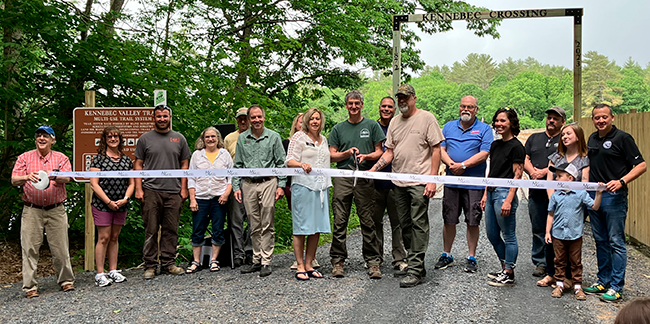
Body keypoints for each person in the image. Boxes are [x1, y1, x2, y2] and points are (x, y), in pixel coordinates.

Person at [370, 84, 444, 288]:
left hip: (419, 182)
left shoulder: (427, 118)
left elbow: (436, 150)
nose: (402, 101)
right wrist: (373, 170)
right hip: (398, 182)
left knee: (418, 223)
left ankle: (414, 269)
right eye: (399, 98)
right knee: (404, 225)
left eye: (405, 97)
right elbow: (389, 152)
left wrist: (432, 180)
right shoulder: (394, 122)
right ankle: (416, 264)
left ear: (414, 98)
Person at [583, 103, 646, 302]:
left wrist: (621, 182)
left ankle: (617, 287)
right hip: (595, 195)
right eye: (596, 117)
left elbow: (641, 165)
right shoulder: (592, 138)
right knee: (600, 240)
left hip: (614, 197)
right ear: (593, 120)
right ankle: (603, 280)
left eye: (604, 117)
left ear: (612, 118)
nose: (600, 121)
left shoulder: (623, 138)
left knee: (615, 241)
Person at [11, 125, 75, 298]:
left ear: (52, 140)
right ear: (35, 139)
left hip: (56, 209)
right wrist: (26, 177)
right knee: (30, 248)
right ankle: (30, 286)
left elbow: (68, 177)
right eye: (39, 135)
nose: (41, 138)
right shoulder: (25, 157)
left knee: (61, 248)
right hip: (32, 210)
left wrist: (53, 174)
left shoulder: (61, 158)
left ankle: (66, 281)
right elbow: (14, 179)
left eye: (46, 136)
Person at [329, 90, 384, 279]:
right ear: (346, 106)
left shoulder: (371, 125)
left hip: (364, 176)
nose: (353, 106)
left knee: (368, 220)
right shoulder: (338, 128)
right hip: (343, 176)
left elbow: (380, 151)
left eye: (357, 103)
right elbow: (331, 154)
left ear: (361, 105)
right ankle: (338, 261)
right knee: (339, 220)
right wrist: (346, 153)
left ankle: (373, 262)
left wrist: (366, 156)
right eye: (350, 103)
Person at [134, 105, 191, 279]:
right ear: (154, 118)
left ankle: (168, 263)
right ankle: (150, 265)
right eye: (158, 116)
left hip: (173, 191)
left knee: (171, 229)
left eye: (165, 116)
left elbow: (184, 164)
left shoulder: (179, 139)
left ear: (170, 117)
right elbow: (138, 164)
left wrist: (183, 188)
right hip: (151, 190)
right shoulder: (145, 139)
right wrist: (138, 188)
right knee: (151, 229)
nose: (162, 119)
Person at [438, 95, 493, 273]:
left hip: (474, 183)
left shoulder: (484, 129)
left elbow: (484, 153)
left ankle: (471, 257)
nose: (466, 110)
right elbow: (441, 149)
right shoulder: (448, 126)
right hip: (451, 181)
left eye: (470, 107)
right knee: (449, 219)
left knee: (473, 220)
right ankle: (447, 254)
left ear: (476, 109)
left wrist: (463, 165)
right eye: (463, 106)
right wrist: (451, 165)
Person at [233, 104, 286, 277]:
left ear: (264, 117)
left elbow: (281, 163)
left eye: (259, 117)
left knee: (267, 222)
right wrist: (236, 187)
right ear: (249, 119)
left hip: (268, 182)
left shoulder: (274, 137)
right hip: (248, 184)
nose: (256, 120)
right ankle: (256, 259)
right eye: (253, 117)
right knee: (253, 223)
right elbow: (237, 165)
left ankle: (266, 261)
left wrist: (281, 185)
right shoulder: (242, 139)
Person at [536, 123, 590, 288]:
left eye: (569, 134)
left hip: (575, 205)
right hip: (556, 204)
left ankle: (568, 277)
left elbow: (585, 183)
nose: (565, 137)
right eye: (563, 135)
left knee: (571, 241)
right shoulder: (555, 157)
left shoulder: (584, 159)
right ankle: (551, 274)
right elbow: (549, 181)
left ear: (578, 136)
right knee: (552, 238)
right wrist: (555, 199)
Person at [545, 163, 602, 300]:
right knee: (559, 260)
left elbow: (594, 206)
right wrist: (548, 232)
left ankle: (577, 286)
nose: (556, 179)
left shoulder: (581, 194)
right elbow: (550, 214)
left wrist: (599, 193)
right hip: (558, 233)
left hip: (575, 234)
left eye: (559, 176)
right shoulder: (555, 196)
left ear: (570, 178)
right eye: (556, 176)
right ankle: (559, 284)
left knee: (576, 261)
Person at [285, 108, 331, 280]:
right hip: (303, 186)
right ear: (306, 121)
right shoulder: (298, 137)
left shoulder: (323, 140)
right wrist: (301, 164)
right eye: (311, 118)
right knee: (301, 227)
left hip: (321, 188)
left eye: (317, 118)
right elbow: (289, 160)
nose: (315, 121)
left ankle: (310, 263)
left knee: (316, 227)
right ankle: (299, 265)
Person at [481, 107, 525, 287]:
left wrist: (509, 199)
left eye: (503, 121)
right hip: (491, 191)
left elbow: (517, 175)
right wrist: (485, 193)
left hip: (504, 192)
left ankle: (509, 272)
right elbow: (491, 170)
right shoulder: (495, 144)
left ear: (512, 123)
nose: (499, 124)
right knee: (492, 233)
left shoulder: (517, 147)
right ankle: (504, 267)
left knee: (508, 235)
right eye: (497, 121)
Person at [89, 126, 134, 287]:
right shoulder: (98, 159)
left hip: (121, 204)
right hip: (102, 204)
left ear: (120, 139)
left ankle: (113, 270)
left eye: (116, 136)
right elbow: (94, 184)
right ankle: (100, 273)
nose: (113, 139)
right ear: (105, 140)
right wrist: (108, 201)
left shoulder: (126, 159)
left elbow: (132, 182)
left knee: (114, 237)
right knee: (104, 237)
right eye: (110, 137)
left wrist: (126, 198)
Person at [524, 106, 566, 278]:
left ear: (563, 122)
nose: (551, 120)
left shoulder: (565, 139)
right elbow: (525, 157)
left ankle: (558, 263)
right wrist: (532, 172)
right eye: (549, 117)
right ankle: (540, 262)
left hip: (559, 193)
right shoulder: (534, 138)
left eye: (555, 118)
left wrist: (545, 172)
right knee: (538, 227)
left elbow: (566, 159)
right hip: (536, 192)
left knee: (559, 228)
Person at [186, 127, 233, 274]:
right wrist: (192, 199)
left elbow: (231, 177)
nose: (210, 139)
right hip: (200, 198)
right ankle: (196, 261)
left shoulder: (225, 155)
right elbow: (191, 178)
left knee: (218, 229)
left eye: (213, 136)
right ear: (203, 139)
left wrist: (226, 194)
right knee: (197, 229)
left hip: (219, 198)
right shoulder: (197, 155)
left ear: (218, 138)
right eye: (207, 137)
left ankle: (214, 260)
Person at [373, 97, 408, 273]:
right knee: (375, 221)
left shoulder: (400, 125)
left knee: (398, 222)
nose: (386, 109)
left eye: (390, 107)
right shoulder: (373, 127)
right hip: (375, 182)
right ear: (379, 108)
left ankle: (399, 258)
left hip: (397, 182)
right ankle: (376, 258)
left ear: (394, 109)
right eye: (384, 106)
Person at [223, 107, 253, 267]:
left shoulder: (256, 136)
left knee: (253, 218)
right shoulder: (229, 138)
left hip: (253, 180)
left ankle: (250, 251)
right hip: (235, 180)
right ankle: (238, 254)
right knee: (236, 219)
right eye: (240, 118)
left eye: (245, 118)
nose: (242, 121)